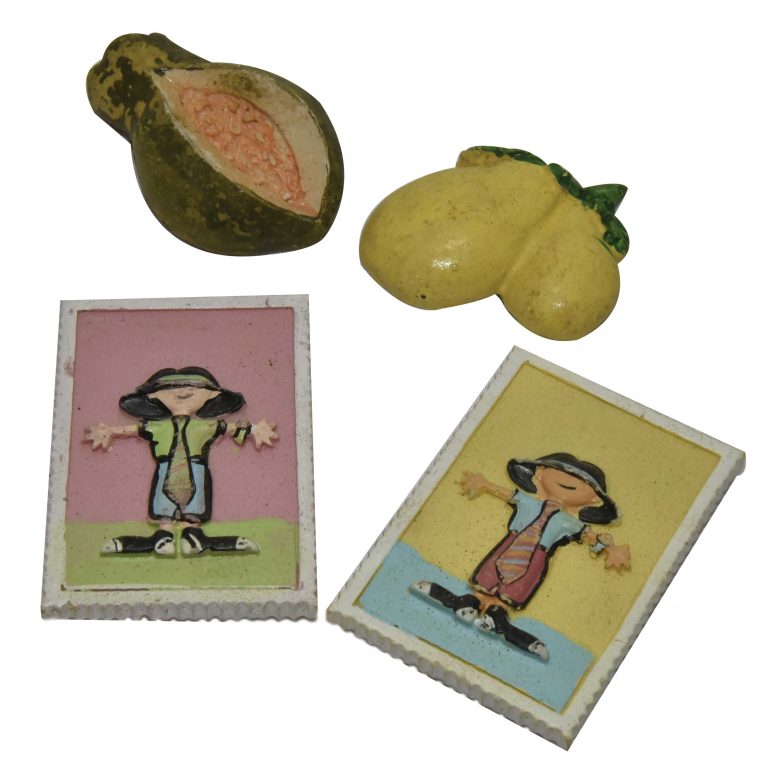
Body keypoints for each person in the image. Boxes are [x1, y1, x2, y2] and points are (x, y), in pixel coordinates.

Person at [412, 453, 630, 660]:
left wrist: (610, 549)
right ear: (539, 473)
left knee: (518, 584)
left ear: (593, 498)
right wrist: (484, 484)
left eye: (583, 482)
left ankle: (496, 615)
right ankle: (470, 602)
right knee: (490, 573)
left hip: (537, 556)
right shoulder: (528, 502)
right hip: (511, 544)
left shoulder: (569, 522)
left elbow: (589, 536)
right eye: (561, 471)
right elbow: (507, 494)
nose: (569, 479)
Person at [84, 367, 277, 556]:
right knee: (163, 502)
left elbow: (231, 428)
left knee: (195, 503)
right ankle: (164, 535)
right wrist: (109, 431)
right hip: (166, 468)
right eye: (170, 389)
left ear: (211, 395)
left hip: (196, 469)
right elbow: (135, 429)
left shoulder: (205, 426)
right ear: (153, 396)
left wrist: (255, 430)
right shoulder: (157, 427)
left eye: (193, 388)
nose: (182, 392)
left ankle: (191, 534)